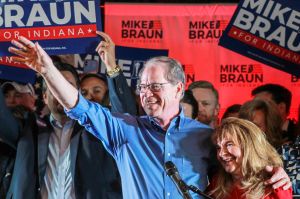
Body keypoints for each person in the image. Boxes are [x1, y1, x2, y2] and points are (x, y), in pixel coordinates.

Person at [8, 32, 292, 199]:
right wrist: (47, 70)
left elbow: (241, 170)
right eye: (142, 87)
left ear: (179, 88)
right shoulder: (124, 130)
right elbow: (79, 106)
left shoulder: (206, 137)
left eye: (155, 86)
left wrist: (278, 175)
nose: (146, 93)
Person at [208, 117, 293, 199]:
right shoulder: (218, 184)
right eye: (218, 147)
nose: (221, 154)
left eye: (229, 145)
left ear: (249, 146)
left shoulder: (276, 183)